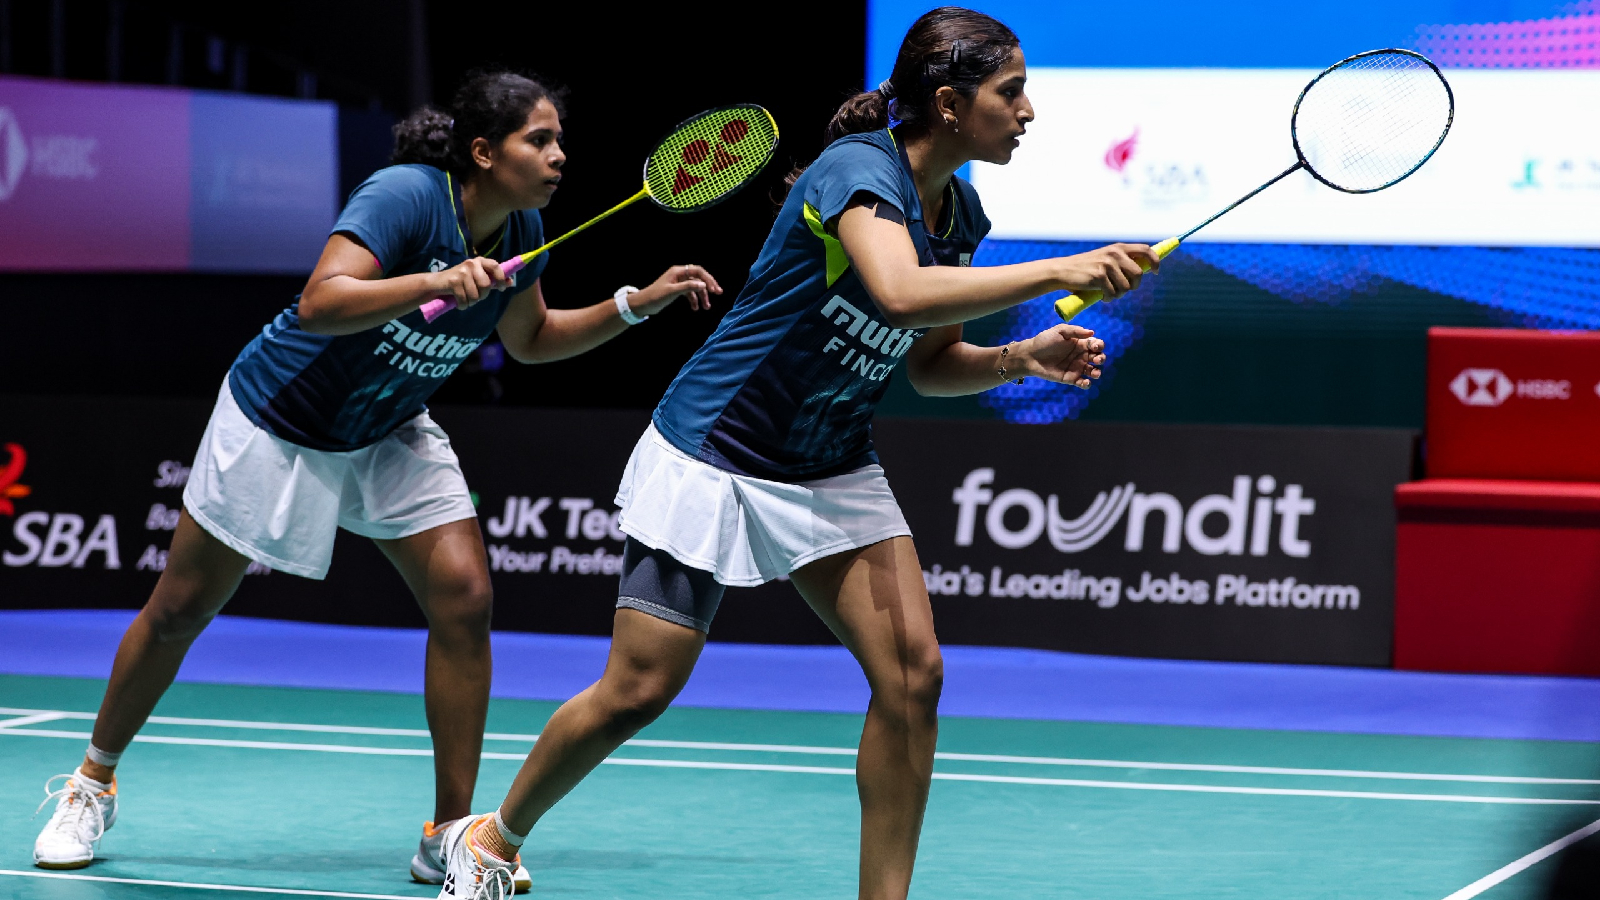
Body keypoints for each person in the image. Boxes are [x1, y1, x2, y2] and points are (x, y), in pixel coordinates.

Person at [432, 9, 1161, 899]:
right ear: (949, 103)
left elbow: (929, 366)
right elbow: (896, 293)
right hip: (719, 451)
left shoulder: (961, 210)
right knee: (638, 689)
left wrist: (1020, 357)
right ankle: (494, 838)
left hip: (829, 461)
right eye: (1012, 93)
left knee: (913, 675)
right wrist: (1061, 271)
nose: (1028, 111)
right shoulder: (855, 172)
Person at [30, 70, 721, 892]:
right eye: (539, 139)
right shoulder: (405, 197)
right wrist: (434, 280)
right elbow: (321, 302)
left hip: (387, 422)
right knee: (181, 607)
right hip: (281, 415)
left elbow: (532, 339)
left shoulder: (523, 225)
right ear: (482, 151)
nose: (558, 154)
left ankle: (448, 831)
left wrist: (635, 304)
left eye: (558, 139)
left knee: (465, 596)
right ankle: (91, 784)